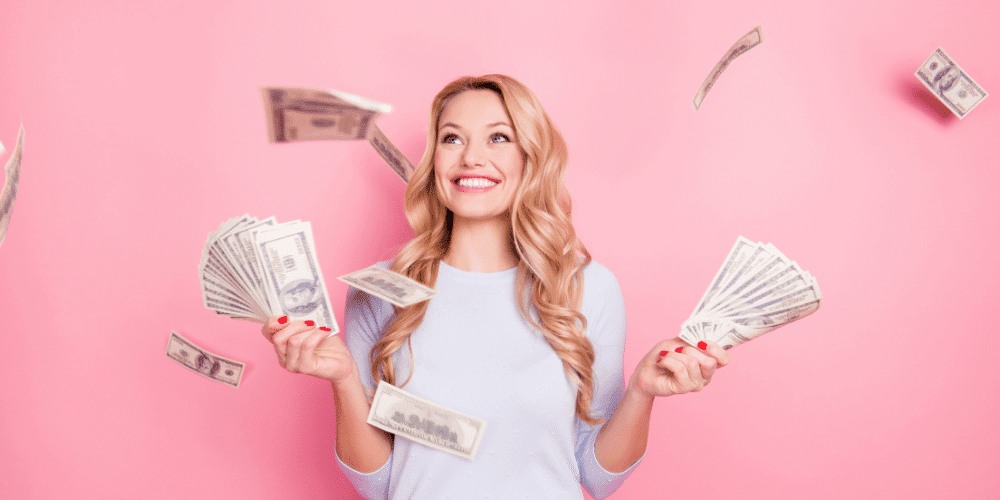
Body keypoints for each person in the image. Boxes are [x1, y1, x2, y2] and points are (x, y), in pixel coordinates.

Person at [261, 74, 730, 499]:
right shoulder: (380, 290)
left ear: (530, 159)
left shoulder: (588, 288)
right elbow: (379, 481)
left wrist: (642, 393)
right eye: (452, 139)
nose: (471, 157)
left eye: (498, 137)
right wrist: (343, 380)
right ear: (434, 160)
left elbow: (598, 475)